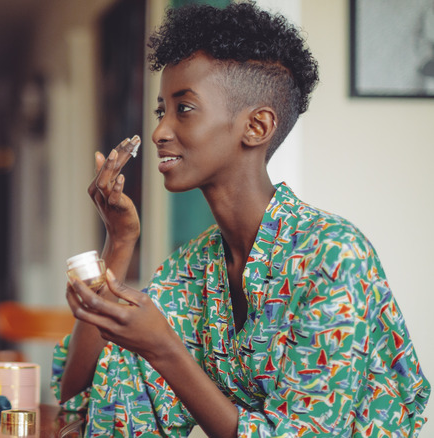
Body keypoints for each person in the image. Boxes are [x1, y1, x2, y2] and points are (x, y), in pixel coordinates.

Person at [51, 2, 430, 437]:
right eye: (161, 111)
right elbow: (80, 392)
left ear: (256, 127)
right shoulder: (194, 268)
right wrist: (119, 243)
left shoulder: (335, 257)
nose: (159, 132)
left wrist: (164, 349)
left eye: (184, 108)